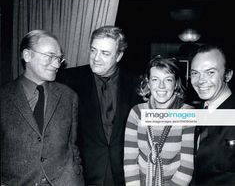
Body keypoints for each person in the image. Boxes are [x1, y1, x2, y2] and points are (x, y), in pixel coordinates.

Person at [56, 26, 142, 186]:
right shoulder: (68, 80)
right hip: (83, 175)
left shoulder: (137, 83)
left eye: (105, 53)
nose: (96, 58)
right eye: (93, 50)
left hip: (126, 175)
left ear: (119, 56)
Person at [0, 30, 84, 186]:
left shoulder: (69, 96)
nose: (56, 64)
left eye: (59, 58)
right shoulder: (3, 98)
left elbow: (72, 146)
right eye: (50, 57)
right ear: (27, 55)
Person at [124, 55, 195, 186]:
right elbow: (130, 162)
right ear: (148, 83)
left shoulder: (187, 114)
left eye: (168, 80)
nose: (161, 86)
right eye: (155, 79)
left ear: (176, 84)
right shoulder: (137, 113)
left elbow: (186, 167)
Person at [189, 44, 235, 185]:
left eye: (210, 72)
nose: (200, 80)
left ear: (228, 75)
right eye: (195, 73)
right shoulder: (195, 112)